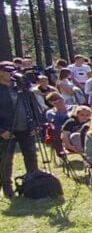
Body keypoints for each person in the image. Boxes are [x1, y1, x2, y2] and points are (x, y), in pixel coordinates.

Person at [0, 63, 42, 198]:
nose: (11, 73)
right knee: (6, 160)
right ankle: (7, 188)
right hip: (7, 130)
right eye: (8, 71)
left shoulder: (21, 87)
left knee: (31, 155)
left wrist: (36, 124)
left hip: (26, 127)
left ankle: (33, 184)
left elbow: (33, 106)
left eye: (14, 70)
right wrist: (1, 130)